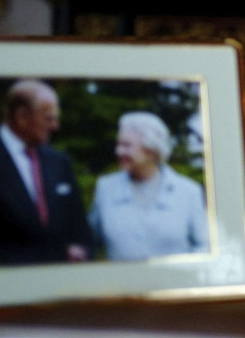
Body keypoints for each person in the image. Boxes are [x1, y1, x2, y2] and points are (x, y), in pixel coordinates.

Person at [0, 80, 92, 268]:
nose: (55, 126)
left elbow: (80, 230)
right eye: (48, 118)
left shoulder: (60, 162)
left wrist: (80, 251)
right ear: (21, 117)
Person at [89, 111, 210, 261]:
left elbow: (204, 246)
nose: (118, 151)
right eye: (118, 144)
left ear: (151, 151)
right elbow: (88, 243)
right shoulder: (105, 189)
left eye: (126, 145)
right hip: (121, 283)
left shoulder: (188, 191)